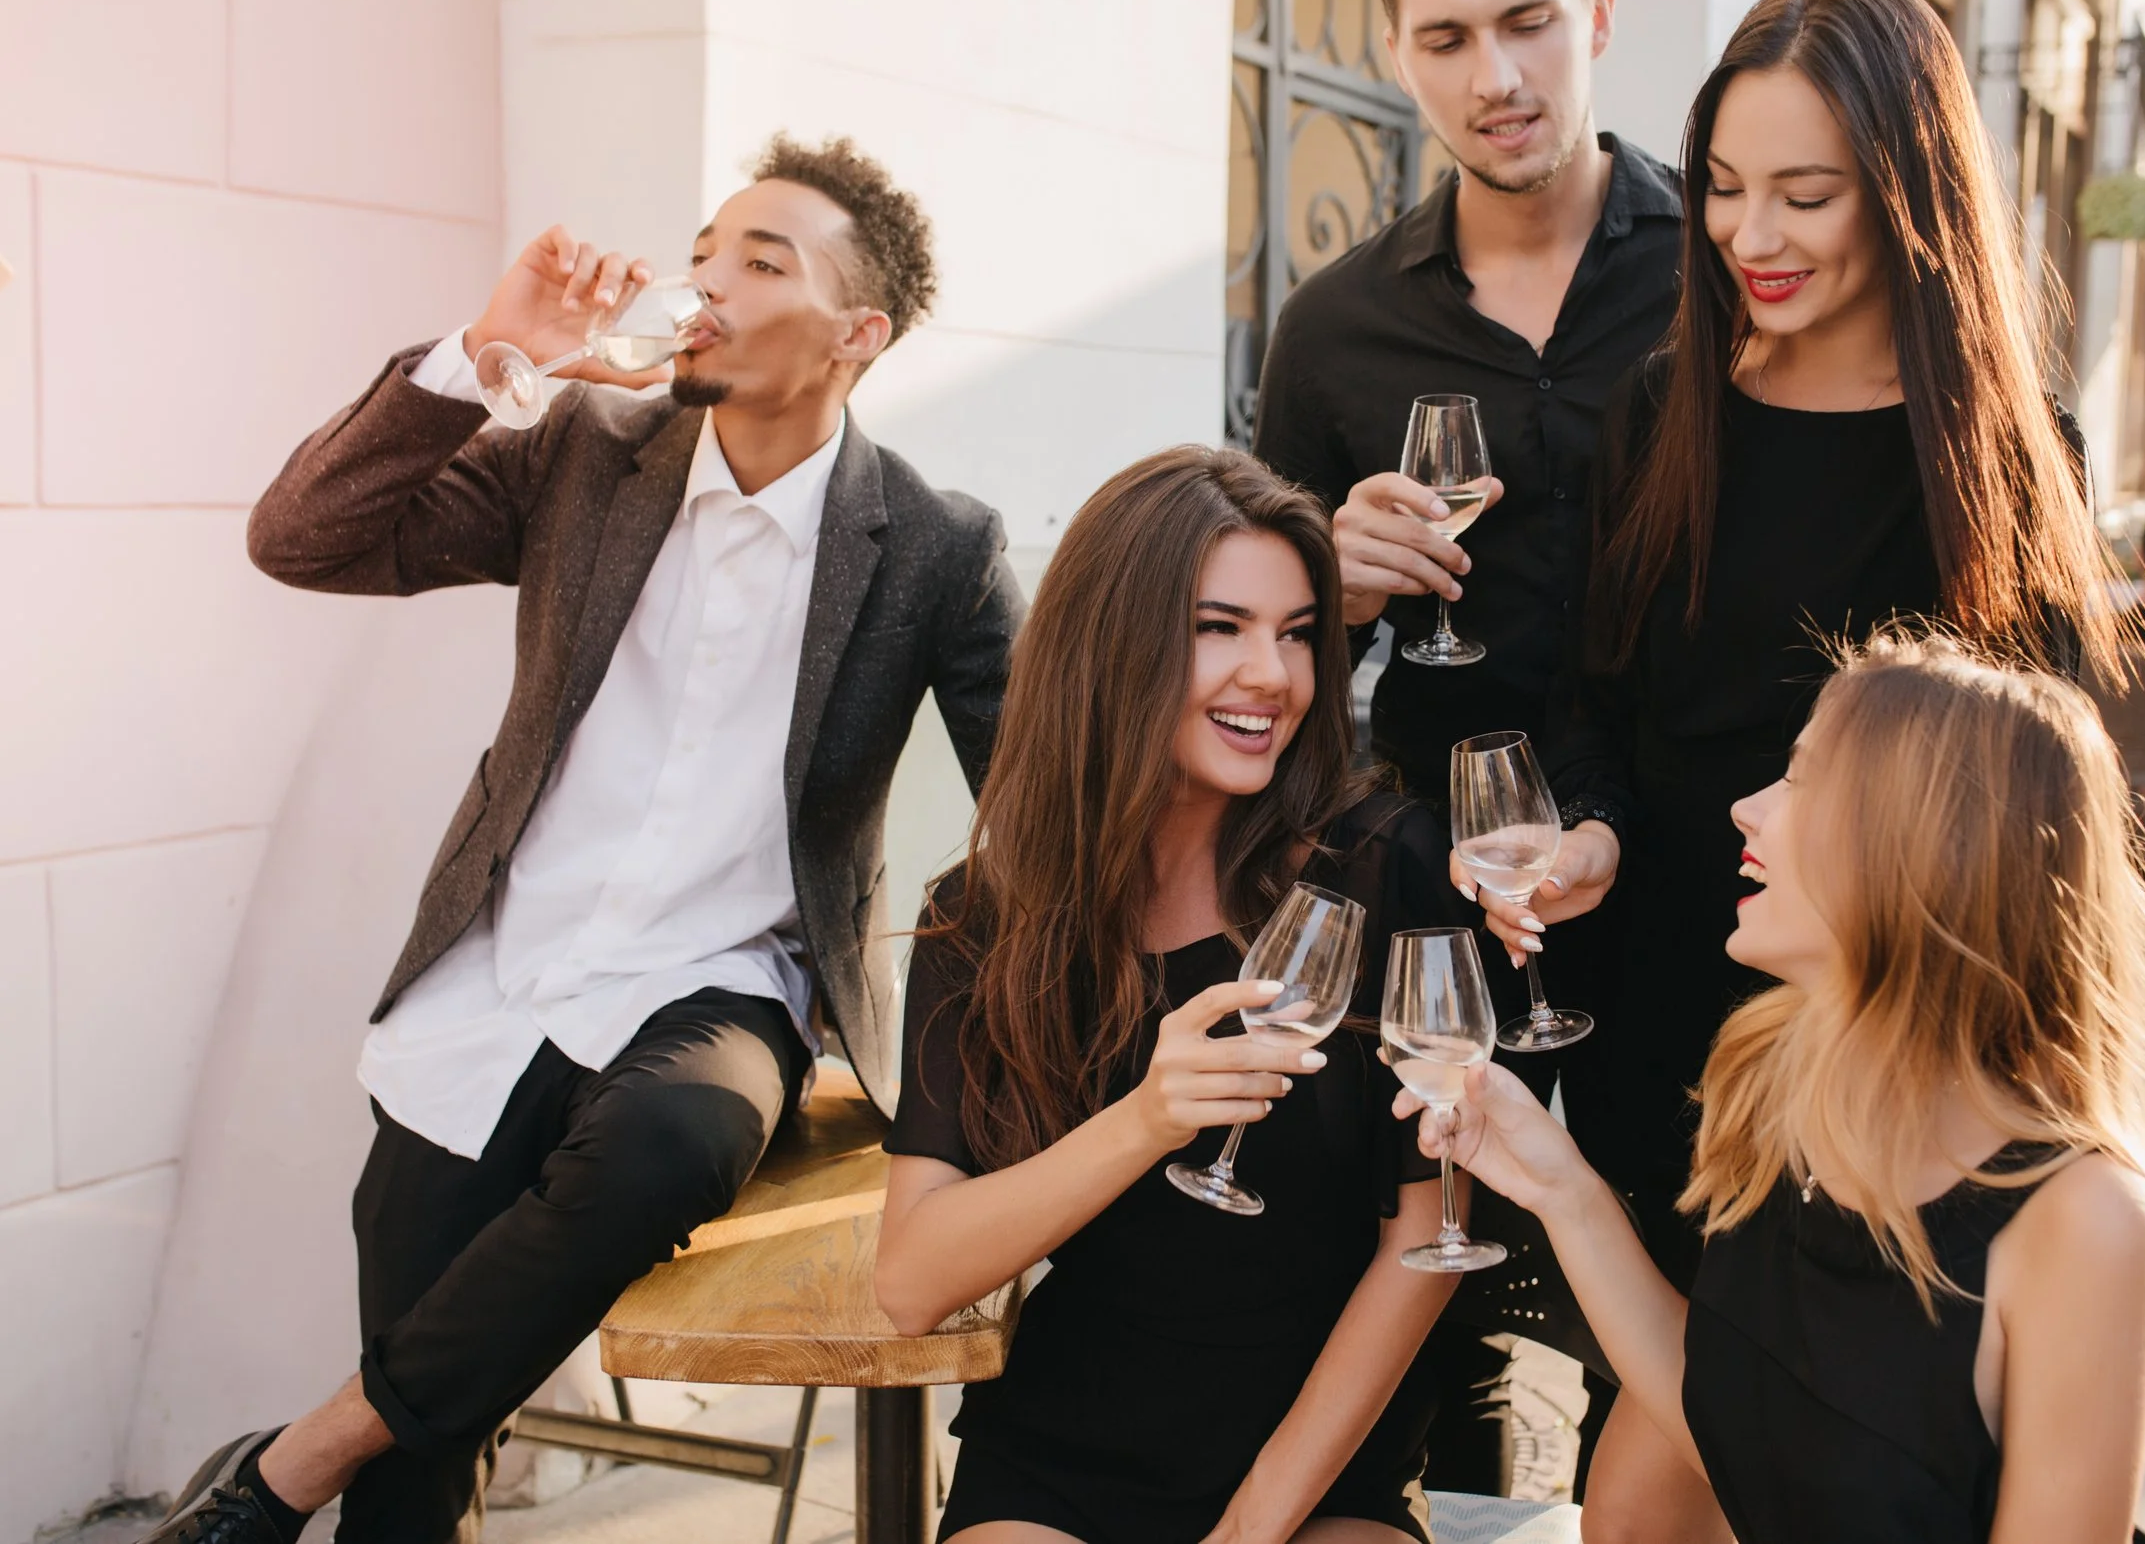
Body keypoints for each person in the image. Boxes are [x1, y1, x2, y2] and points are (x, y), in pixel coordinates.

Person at [148, 135, 1022, 1544]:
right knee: (421, 1468)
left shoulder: (934, 544)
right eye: (704, 247)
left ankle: (290, 1459)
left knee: (676, 1141)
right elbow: (302, 535)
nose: (706, 281)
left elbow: (1040, 799)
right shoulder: (582, 450)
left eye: (761, 257)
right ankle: (344, 1462)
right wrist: (492, 347)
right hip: (495, 978)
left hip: (722, 984)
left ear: (858, 333)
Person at [1458, 0, 2129, 1528]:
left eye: (1806, 193)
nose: (1751, 237)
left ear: (1908, 191)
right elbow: (1598, 707)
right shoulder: (1664, 408)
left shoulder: (2006, 460)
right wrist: (1595, 838)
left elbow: (2038, 817)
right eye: (1725, 190)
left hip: (1883, 1052)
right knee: (1663, 1445)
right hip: (1670, 1013)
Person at [1415, 629, 2145, 1544]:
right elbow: (1726, 1419)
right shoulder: (1779, 1095)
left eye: (1802, 778)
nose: (1747, 808)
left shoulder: (2089, 1218)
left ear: (1924, 846)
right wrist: (1560, 1186)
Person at [1251, 0, 1682, 1490]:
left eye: (1527, 23)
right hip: (1441, 898)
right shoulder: (1337, 327)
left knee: (1674, 1315)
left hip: (1701, 884)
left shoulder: (1725, 278)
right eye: (1447, 38)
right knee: (1450, 1316)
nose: (1494, 75)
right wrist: (1328, 587)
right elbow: (1263, 652)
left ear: (1600, 20)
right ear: (1394, 56)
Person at [877, 446, 1504, 1543]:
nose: (1272, 674)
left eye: (1299, 631)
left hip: (1316, 1475)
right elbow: (911, 1280)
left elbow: (1426, 1240)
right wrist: (1147, 1119)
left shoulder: (1381, 863)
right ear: (1112, 643)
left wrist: (1249, 1527)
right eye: (1220, 627)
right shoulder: (989, 914)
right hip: (1063, 1459)